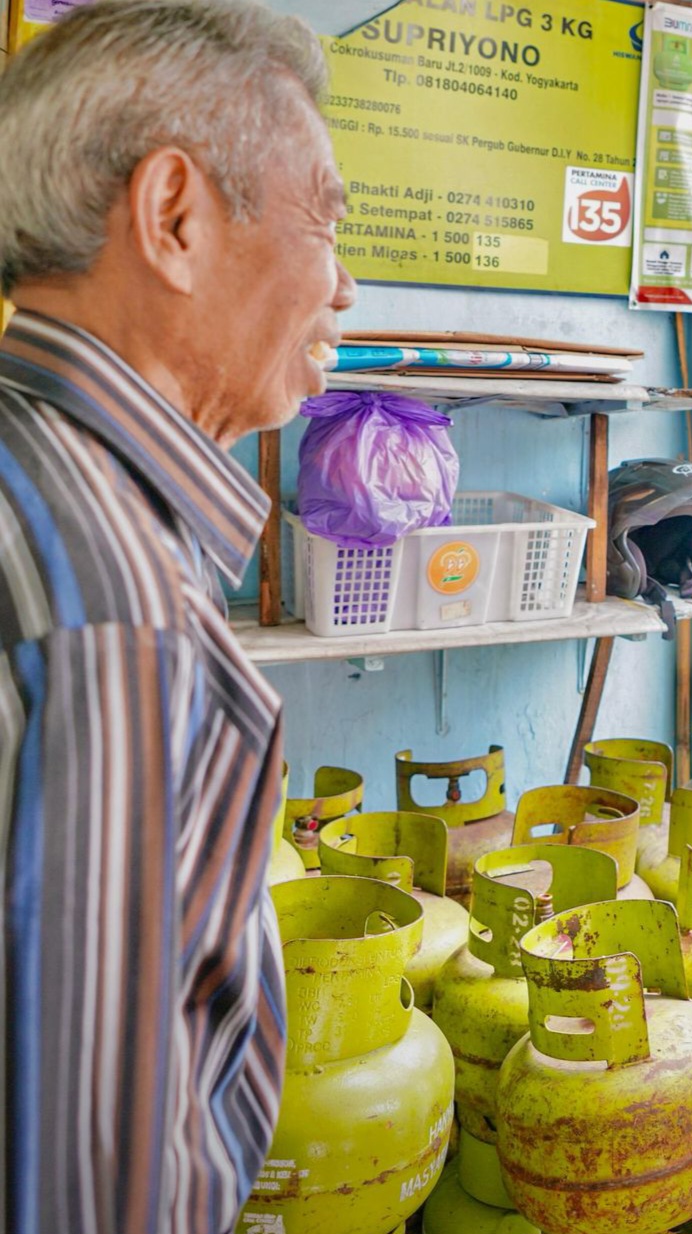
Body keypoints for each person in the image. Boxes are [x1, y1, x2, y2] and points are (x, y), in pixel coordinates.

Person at [0, 3, 356, 1232]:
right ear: (174, 217)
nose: (341, 286)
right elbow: (86, 1195)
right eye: (324, 216)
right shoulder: (118, 622)